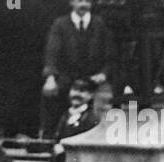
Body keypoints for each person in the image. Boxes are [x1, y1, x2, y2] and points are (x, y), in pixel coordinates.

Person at [41, 0, 117, 140]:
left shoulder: (99, 24)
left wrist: (103, 74)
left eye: (87, 1)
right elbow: (52, 53)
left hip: (92, 78)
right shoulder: (60, 24)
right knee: (50, 94)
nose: (83, 4)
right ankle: (50, 139)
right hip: (67, 77)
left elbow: (110, 55)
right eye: (79, 0)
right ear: (71, 3)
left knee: (106, 100)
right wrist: (50, 78)